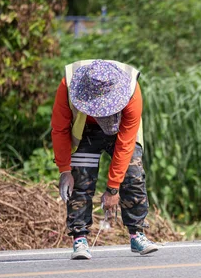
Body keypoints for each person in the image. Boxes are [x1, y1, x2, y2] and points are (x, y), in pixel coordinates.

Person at [51, 59, 159, 259]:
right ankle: (79, 239)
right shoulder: (67, 85)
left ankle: (137, 233)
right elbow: (59, 129)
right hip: (85, 131)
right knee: (80, 180)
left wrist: (112, 188)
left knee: (133, 175)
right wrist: (64, 169)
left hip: (119, 130)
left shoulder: (131, 90)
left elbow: (126, 144)